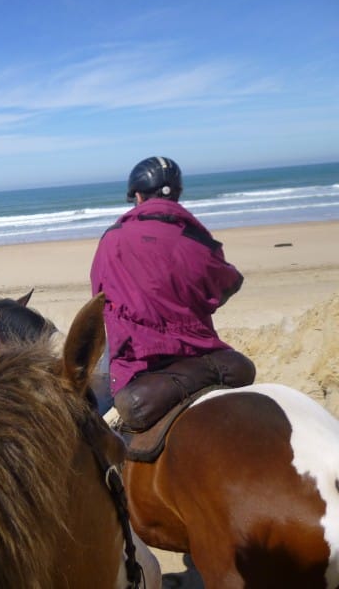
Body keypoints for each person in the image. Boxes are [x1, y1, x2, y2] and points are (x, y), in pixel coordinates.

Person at [90, 156, 256, 431]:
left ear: (139, 197)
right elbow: (228, 284)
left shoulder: (113, 239)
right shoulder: (198, 240)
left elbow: (99, 296)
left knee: (87, 413)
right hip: (198, 350)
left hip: (137, 359)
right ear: (176, 194)